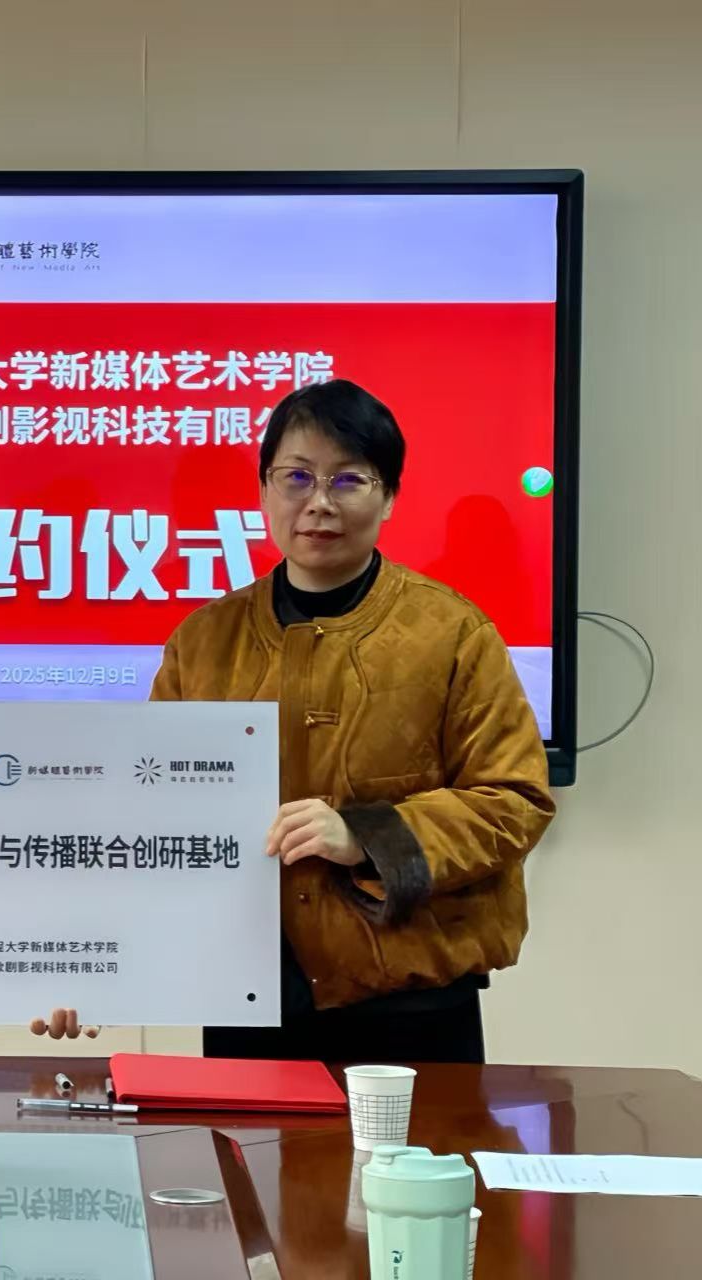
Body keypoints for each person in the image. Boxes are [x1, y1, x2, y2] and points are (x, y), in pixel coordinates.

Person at [146, 379, 555, 1064]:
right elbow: (151, 815)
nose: (319, 503)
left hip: (413, 1004)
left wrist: (367, 836)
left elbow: (514, 800)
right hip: (251, 997)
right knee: (242, 1143)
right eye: (296, 477)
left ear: (388, 496)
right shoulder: (204, 642)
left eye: (348, 480)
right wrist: (96, 962)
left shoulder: (452, 633)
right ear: (264, 490)